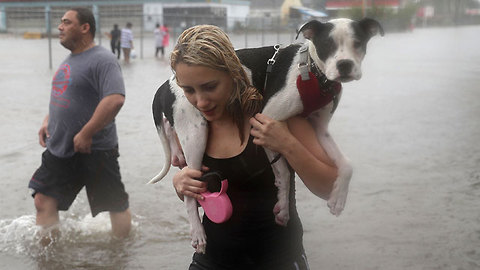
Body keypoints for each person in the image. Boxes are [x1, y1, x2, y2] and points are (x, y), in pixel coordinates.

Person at [170, 25, 337, 270]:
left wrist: (287, 144)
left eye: (210, 87)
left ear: (234, 74)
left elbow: (330, 188)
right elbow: (204, 194)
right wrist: (181, 184)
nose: (200, 101)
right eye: (189, 90)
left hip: (279, 261)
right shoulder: (191, 122)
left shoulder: (278, 114)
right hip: (211, 262)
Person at [29, 7, 131, 242]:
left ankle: (122, 254)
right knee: (43, 199)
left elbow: (115, 98)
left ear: (85, 28)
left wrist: (87, 133)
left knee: (114, 204)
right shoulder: (70, 60)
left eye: (66, 22)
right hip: (60, 147)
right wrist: (47, 122)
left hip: (95, 149)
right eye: (61, 22)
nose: (59, 27)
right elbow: (64, 96)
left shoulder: (103, 59)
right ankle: (51, 256)